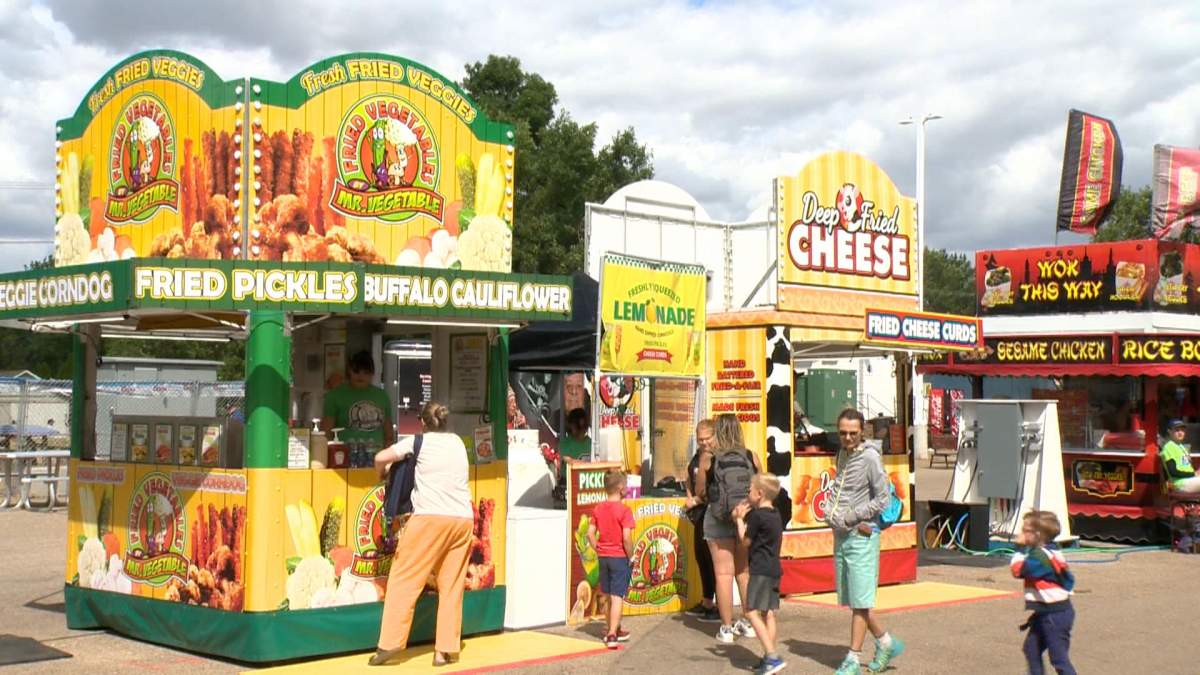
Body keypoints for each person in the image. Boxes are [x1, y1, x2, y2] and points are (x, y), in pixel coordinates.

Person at [370, 402, 472, 667]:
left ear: (423, 423)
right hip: (462, 520)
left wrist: (382, 474)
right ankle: (444, 651)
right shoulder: (458, 443)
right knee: (451, 586)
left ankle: (389, 644)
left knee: (404, 577)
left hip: (429, 518)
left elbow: (380, 458)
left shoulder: (417, 442)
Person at [826, 408, 904, 675]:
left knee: (860, 602)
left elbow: (883, 500)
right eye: (843, 433)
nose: (847, 437)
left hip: (862, 534)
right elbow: (840, 488)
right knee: (854, 598)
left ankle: (852, 659)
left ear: (862, 432)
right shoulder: (843, 454)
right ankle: (886, 643)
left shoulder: (870, 458)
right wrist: (830, 510)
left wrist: (852, 516)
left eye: (852, 433)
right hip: (841, 534)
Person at [696, 413, 762, 644]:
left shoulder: (708, 459)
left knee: (723, 574)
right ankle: (748, 621)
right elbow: (760, 487)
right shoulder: (751, 456)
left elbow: (701, 493)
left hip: (717, 519)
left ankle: (726, 628)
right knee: (743, 572)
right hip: (743, 519)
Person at [733, 473, 786, 675]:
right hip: (774, 568)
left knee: (750, 611)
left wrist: (739, 520)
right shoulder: (775, 514)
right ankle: (768, 657)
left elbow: (745, 543)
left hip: (760, 570)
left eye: (750, 490)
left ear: (760, 493)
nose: (748, 493)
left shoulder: (756, 517)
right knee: (769, 612)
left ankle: (771, 657)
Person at [1011, 510, 1076, 675]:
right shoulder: (1049, 550)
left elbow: (1018, 570)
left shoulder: (1040, 557)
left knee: (1059, 659)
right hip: (1046, 612)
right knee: (1031, 649)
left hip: (1055, 615)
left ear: (1038, 534)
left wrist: (1018, 548)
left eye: (1025, 531)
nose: (1021, 534)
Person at [587, 470, 635, 649]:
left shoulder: (599, 508)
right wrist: (631, 556)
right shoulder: (624, 510)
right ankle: (612, 634)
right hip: (619, 557)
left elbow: (590, 533)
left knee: (607, 595)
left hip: (603, 557)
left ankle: (614, 627)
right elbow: (626, 538)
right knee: (617, 597)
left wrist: (598, 548)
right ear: (621, 488)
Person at [685, 419, 720, 623]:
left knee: (711, 559)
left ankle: (714, 605)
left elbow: (710, 489)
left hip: (712, 510)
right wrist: (689, 493)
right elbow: (690, 476)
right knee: (701, 556)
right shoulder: (698, 455)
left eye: (708, 438)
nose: (704, 443)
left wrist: (696, 499)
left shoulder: (716, 457)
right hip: (699, 512)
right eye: (700, 439)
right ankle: (707, 601)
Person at [322, 350, 394, 451]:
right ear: (349, 371)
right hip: (344, 457)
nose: (361, 376)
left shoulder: (382, 396)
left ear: (372, 373)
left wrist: (388, 451)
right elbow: (326, 431)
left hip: (376, 456)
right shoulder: (334, 396)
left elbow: (388, 431)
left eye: (366, 372)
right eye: (356, 371)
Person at [1160, 418, 1200, 494]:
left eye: (1182, 430)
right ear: (1169, 431)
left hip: (1188, 480)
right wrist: (1193, 474)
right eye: (1177, 430)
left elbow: (1185, 467)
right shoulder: (1168, 447)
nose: (1180, 433)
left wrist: (1196, 473)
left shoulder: (1181, 446)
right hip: (1179, 483)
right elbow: (1173, 472)